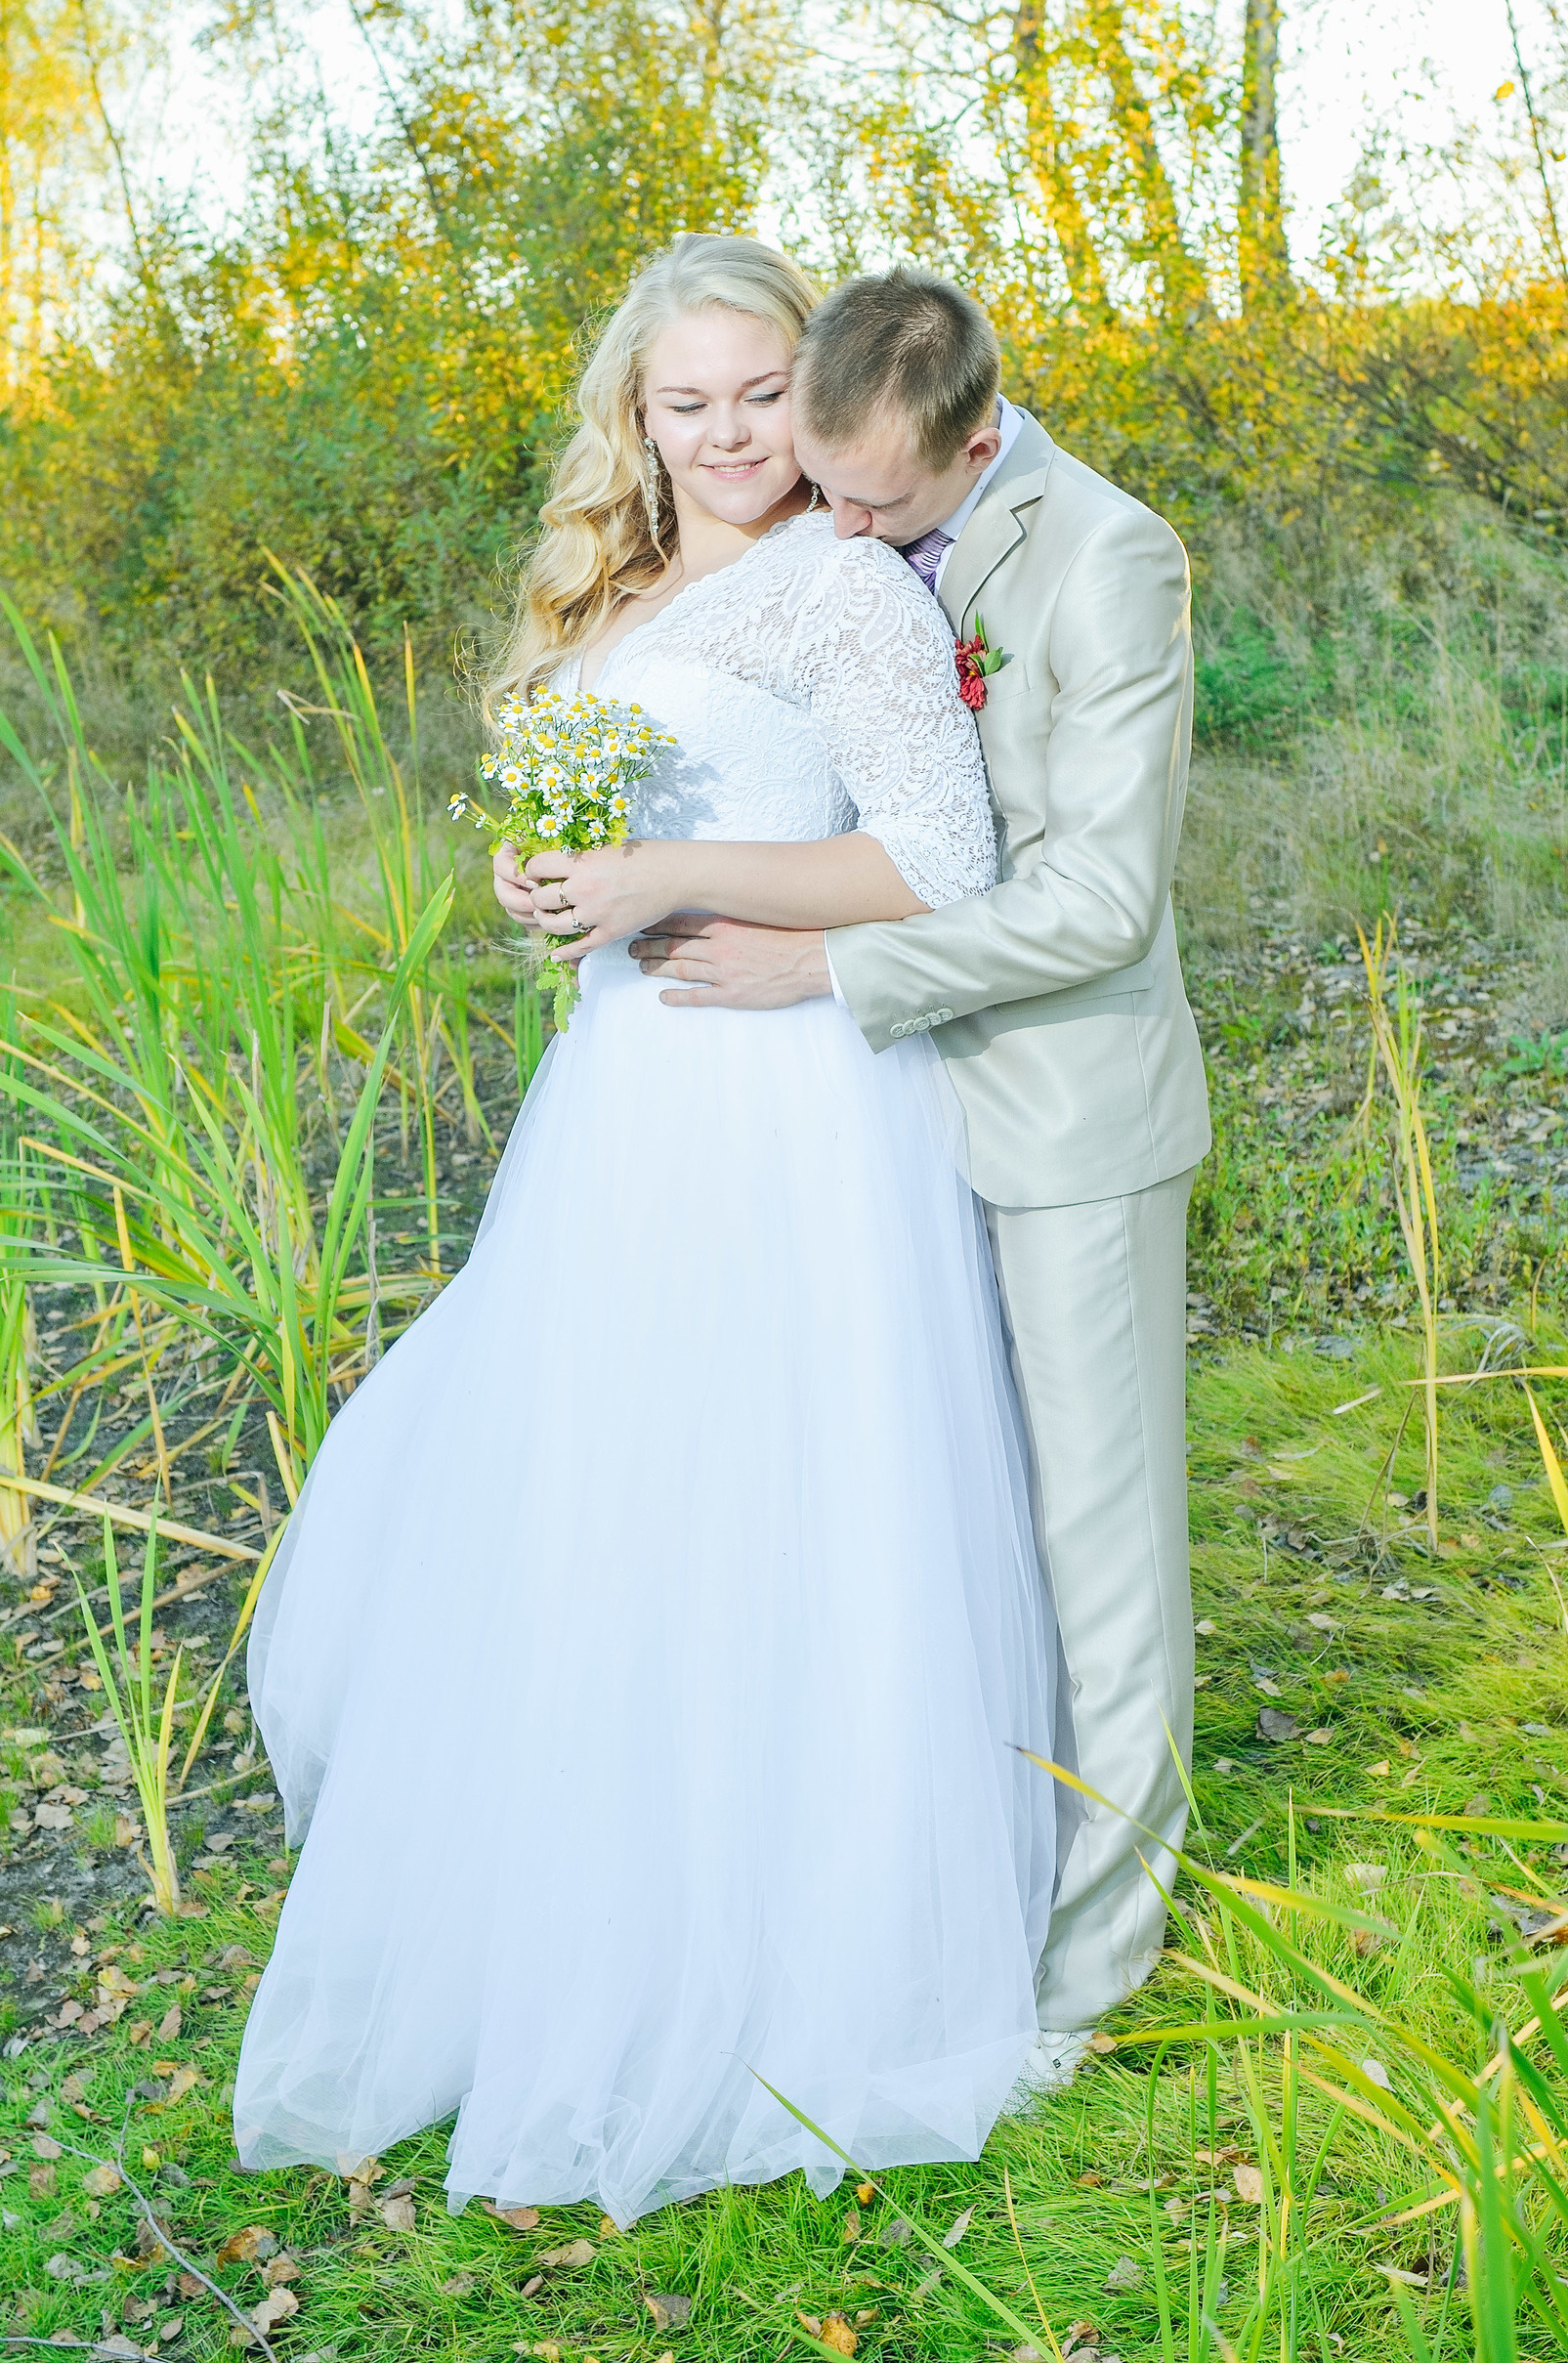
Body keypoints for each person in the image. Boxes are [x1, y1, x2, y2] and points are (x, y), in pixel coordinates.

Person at [232, 234, 1062, 2224]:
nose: (721, 433)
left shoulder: (845, 589)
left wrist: (662, 867)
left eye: (757, 394)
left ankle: (788, 1944)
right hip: (625, 1088)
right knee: (595, 1480)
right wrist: (550, 884)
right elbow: (596, 829)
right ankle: (568, 1913)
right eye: (680, 401)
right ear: (633, 410)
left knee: (772, 1485)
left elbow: (936, 852)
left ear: (818, 386)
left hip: (784, 1094)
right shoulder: (616, 590)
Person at [607, 267, 1212, 2070]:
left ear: (976, 432)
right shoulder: (857, 489)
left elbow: (1102, 898)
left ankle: (1092, 1969)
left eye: (878, 502)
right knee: (940, 1523)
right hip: (869, 1121)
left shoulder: (1111, 559)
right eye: (825, 485)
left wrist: (834, 967)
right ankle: (944, 1872)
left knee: (1098, 1550)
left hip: (1055, 1109)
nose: (841, 525)